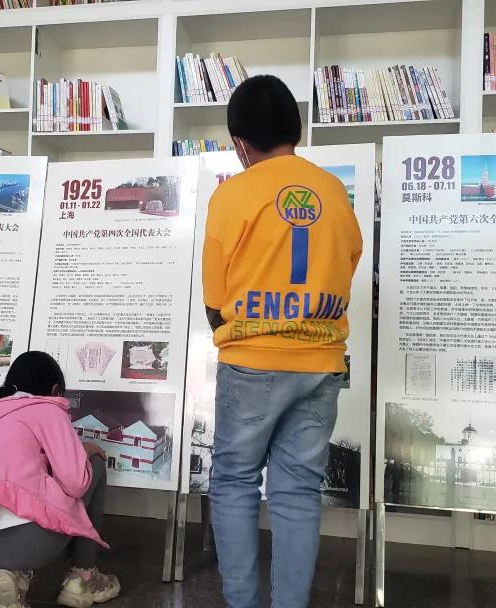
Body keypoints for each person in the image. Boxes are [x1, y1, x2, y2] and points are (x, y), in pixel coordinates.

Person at [202, 74, 363, 608]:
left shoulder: (233, 193)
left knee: (235, 482)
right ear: (296, 131)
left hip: (251, 360)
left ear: (240, 144)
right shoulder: (334, 191)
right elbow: (349, 263)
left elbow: (214, 295)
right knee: (297, 491)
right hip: (320, 361)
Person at [0, 351, 119, 608]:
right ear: (55, 390)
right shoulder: (47, 409)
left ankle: (10, 575)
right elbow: (75, 483)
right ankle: (82, 577)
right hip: (35, 543)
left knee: (20, 488)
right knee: (94, 464)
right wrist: (81, 453)